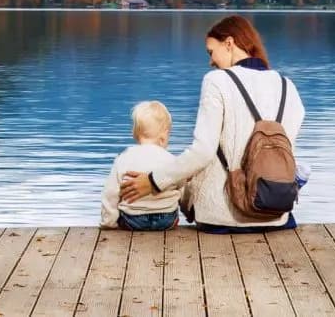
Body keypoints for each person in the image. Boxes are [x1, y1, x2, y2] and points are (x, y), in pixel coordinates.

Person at [120, 15, 305, 233]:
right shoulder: (287, 87)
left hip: (222, 218)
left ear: (229, 43)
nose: (211, 61)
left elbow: (203, 152)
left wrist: (153, 182)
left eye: (211, 52)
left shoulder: (217, 81)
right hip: (274, 215)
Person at [100, 100, 183, 230]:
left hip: (132, 220)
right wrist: (189, 212)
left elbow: (111, 193)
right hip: (167, 220)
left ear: (135, 133)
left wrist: (109, 221)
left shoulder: (124, 158)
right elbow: (183, 189)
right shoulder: (172, 160)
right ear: (164, 137)